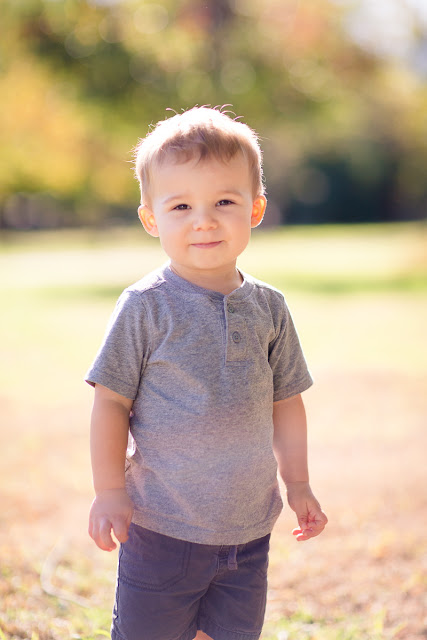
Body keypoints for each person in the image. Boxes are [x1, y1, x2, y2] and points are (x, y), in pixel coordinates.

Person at [86, 106, 328, 640]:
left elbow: (286, 401)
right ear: (152, 219)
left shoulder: (269, 308)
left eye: (224, 201)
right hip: (162, 530)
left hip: (247, 532)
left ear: (255, 208)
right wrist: (108, 490)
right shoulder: (146, 306)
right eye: (181, 205)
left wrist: (300, 483)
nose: (204, 219)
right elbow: (110, 403)